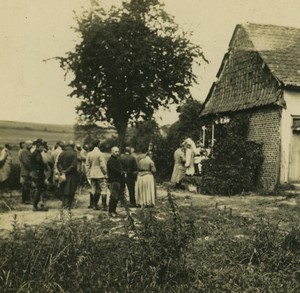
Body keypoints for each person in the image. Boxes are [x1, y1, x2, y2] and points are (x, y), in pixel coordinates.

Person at [85, 140, 107, 210]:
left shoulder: (89, 154)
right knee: (103, 189)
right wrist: (105, 173)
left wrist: (88, 174)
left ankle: (94, 205)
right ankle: (104, 206)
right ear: (98, 144)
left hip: (92, 173)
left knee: (93, 189)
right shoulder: (100, 154)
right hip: (100, 173)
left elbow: (87, 165)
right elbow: (103, 165)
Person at [57, 141, 79, 209]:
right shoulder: (74, 153)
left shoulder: (62, 153)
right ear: (73, 146)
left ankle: (63, 204)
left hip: (63, 175)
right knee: (71, 189)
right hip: (72, 174)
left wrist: (62, 171)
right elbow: (74, 165)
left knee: (63, 189)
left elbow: (58, 163)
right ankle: (68, 204)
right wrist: (67, 171)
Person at [107, 146, 126, 217]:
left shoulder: (116, 159)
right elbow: (114, 170)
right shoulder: (111, 160)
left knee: (117, 197)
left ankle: (113, 210)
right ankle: (111, 211)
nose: (117, 153)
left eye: (118, 151)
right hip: (114, 180)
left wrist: (122, 172)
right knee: (114, 196)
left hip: (118, 180)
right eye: (115, 151)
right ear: (111, 152)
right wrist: (122, 173)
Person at [30, 140, 48, 211]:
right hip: (38, 173)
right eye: (41, 147)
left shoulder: (35, 153)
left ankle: (36, 205)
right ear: (37, 147)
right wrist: (44, 165)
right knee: (39, 189)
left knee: (38, 189)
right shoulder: (37, 153)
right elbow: (39, 161)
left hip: (35, 173)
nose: (42, 149)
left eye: (43, 147)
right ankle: (35, 206)